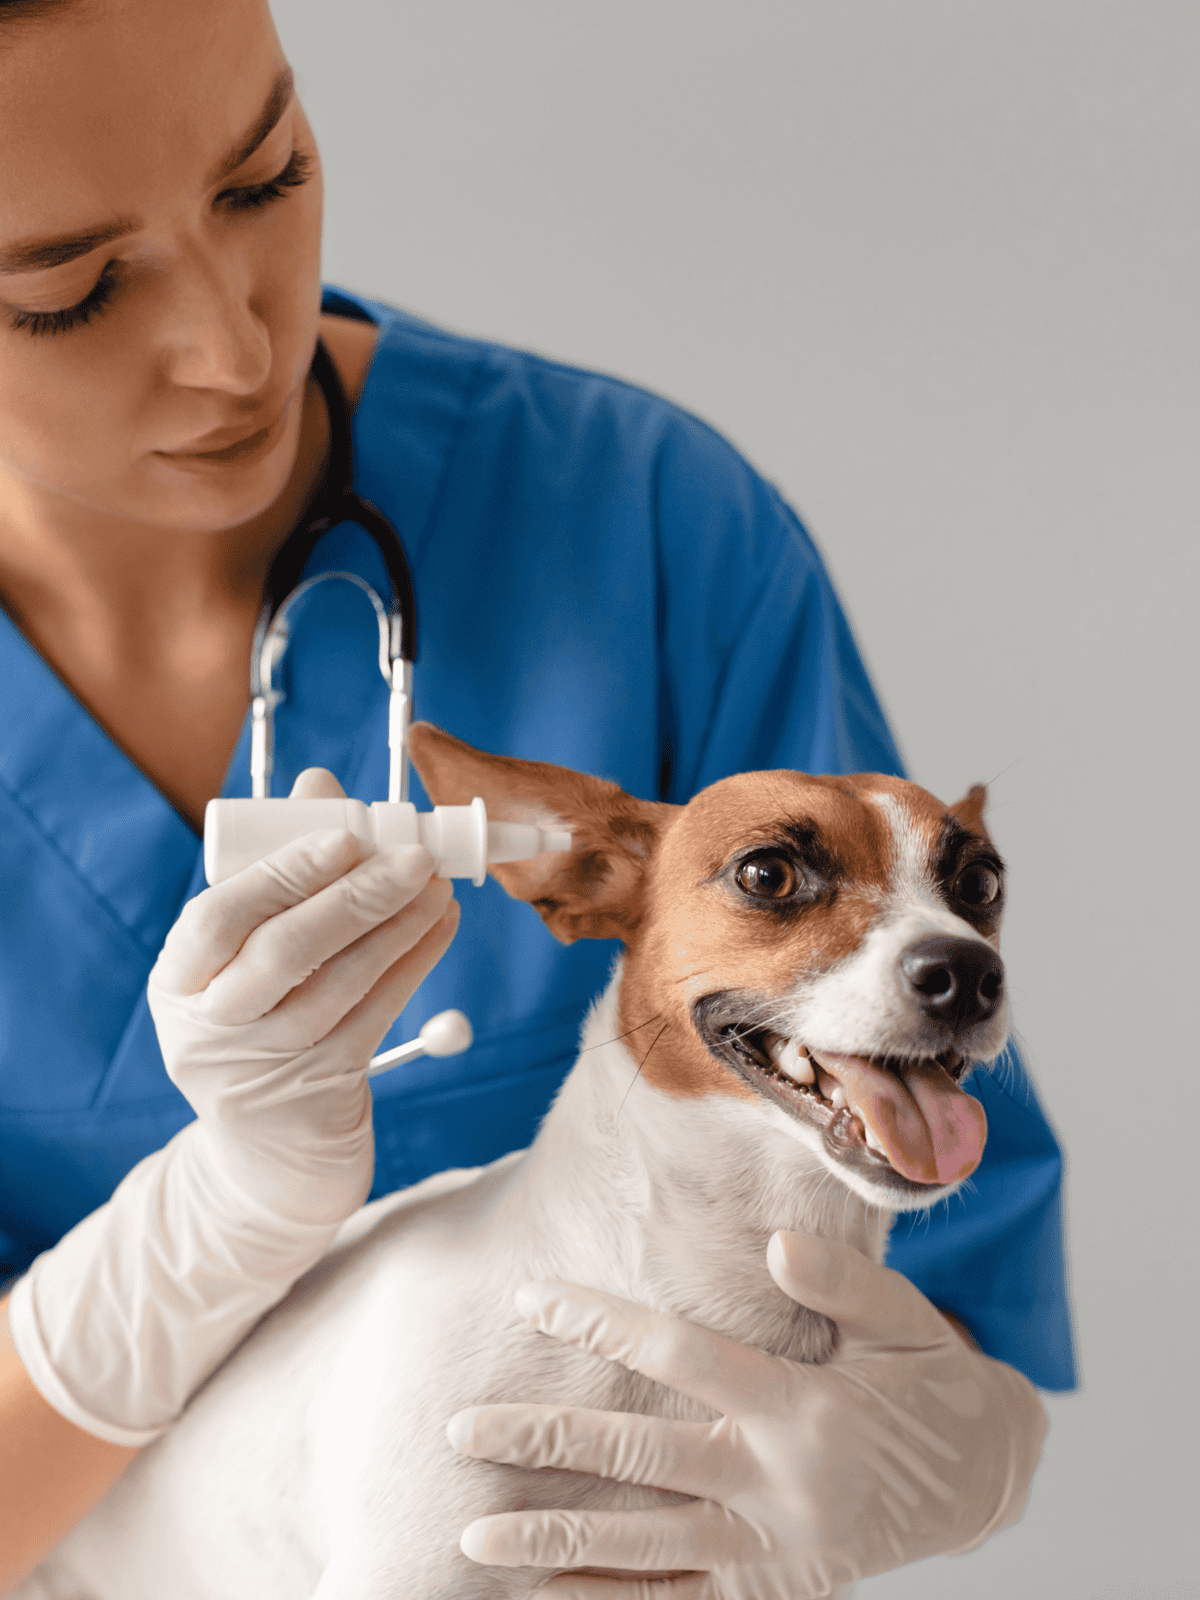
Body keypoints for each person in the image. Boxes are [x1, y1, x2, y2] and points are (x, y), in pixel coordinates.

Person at [0, 0, 1073, 1592]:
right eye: (71, 293)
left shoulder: (642, 523)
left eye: (265, 179)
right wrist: (222, 1220)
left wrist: (962, 1448)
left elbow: (937, 1226)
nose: (237, 346)